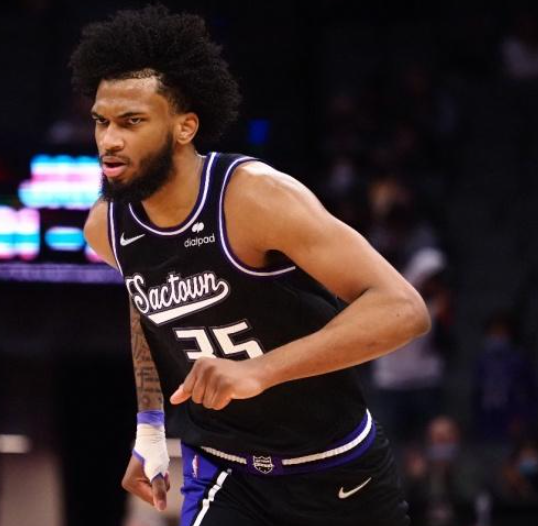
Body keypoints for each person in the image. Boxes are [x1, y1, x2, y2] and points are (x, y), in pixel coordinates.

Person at [71, 6, 430, 526]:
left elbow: (403, 309)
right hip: (225, 473)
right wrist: (149, 426)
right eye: (101, 121)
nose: (109, 140)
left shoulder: (253, 198)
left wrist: (259, 371)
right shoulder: (105, 227)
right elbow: (144, 305)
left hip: (337, 470)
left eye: (132, 122)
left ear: (184, 127)